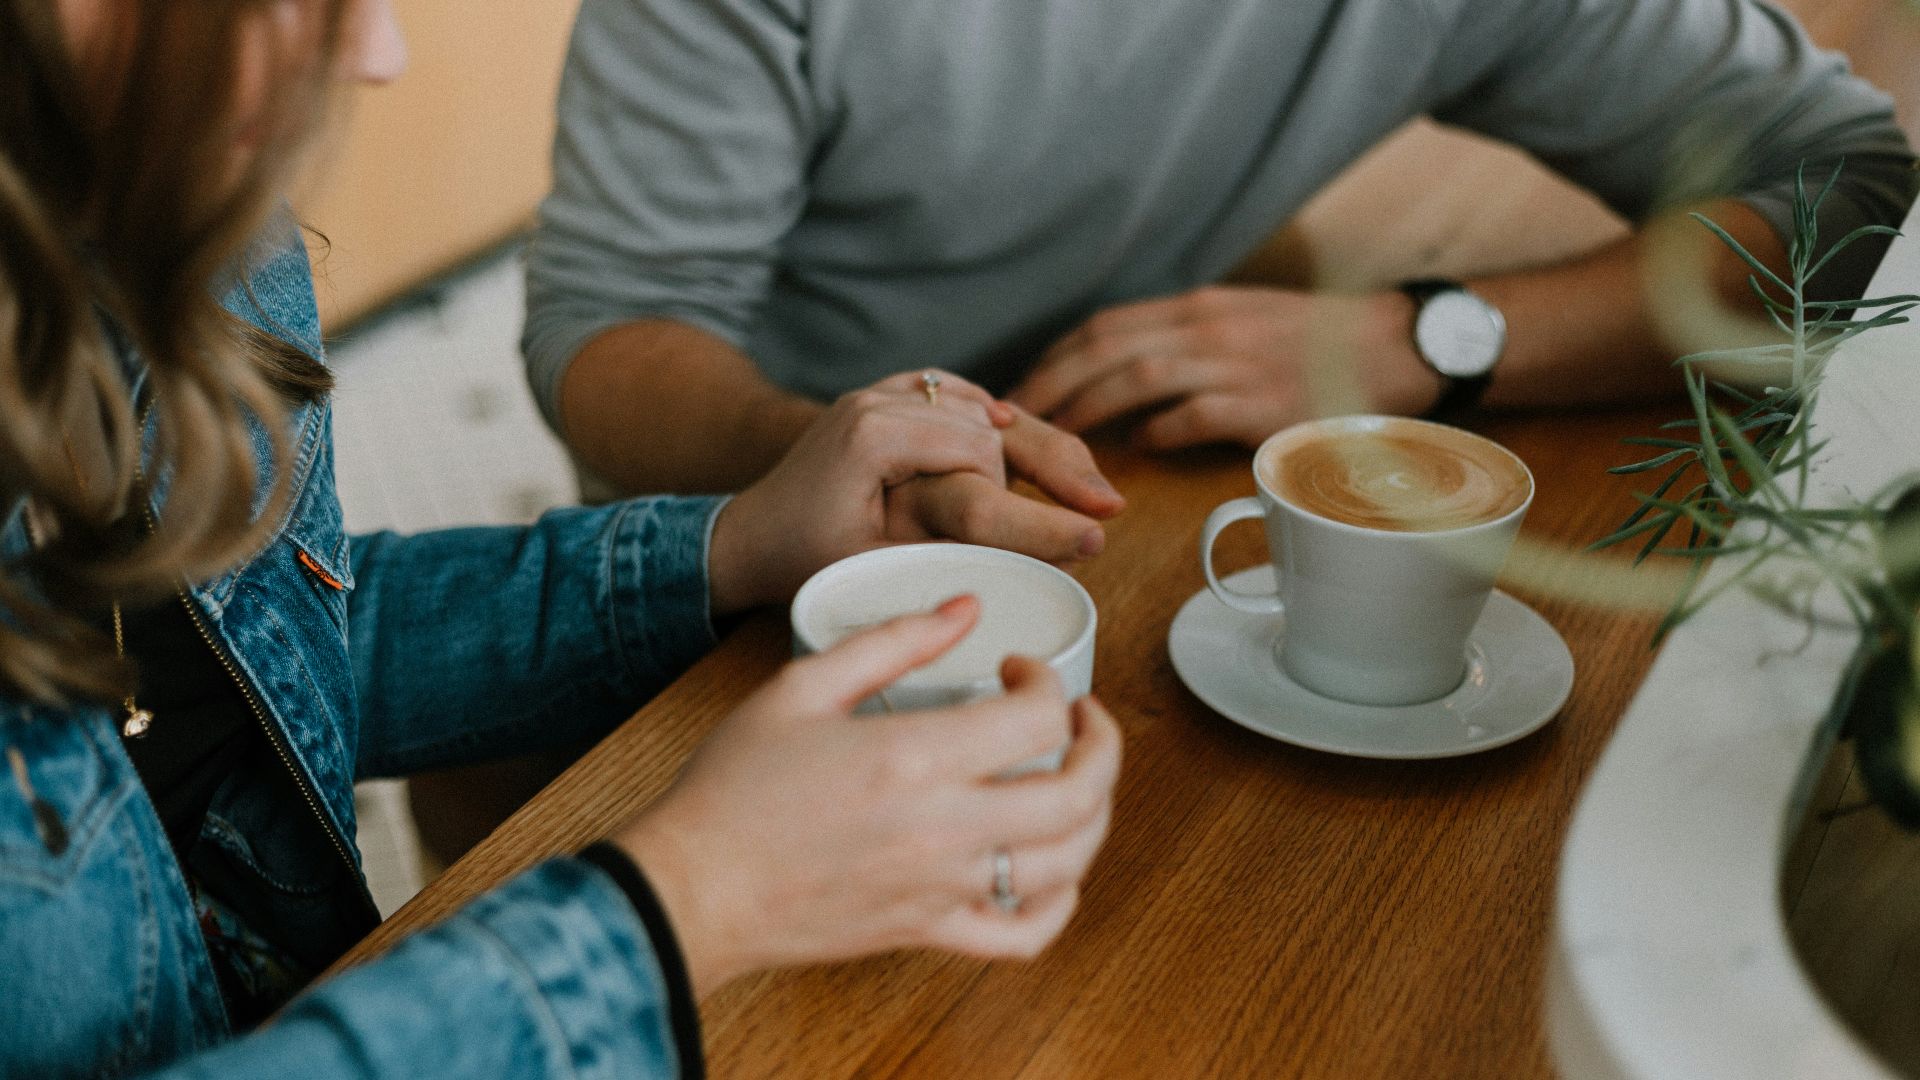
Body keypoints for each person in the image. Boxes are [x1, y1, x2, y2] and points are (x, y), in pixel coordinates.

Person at [0, 1, 1122, 1077]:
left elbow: (260, 655)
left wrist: (734, 544)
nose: (379, 54)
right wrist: (685, 903)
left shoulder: (173, 230)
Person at [524, 0, 1918, 500]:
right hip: (743, 500)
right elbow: (608, 334)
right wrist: (855, 452)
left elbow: (1859, 199)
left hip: (1139, 458)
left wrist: (1423, 338)